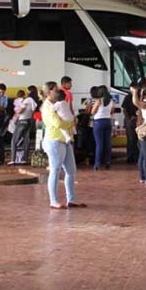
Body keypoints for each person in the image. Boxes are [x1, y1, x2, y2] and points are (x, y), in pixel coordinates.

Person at [41, 81, 85, 209]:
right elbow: (57, 123)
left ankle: (71, 199)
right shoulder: (47, 107)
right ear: (49, 92)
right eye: (55, 90)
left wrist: (70, 122)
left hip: (65, 140)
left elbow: (63, 120)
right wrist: (71, 123)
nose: (58, 92)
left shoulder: (58, 104)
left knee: (71, 171)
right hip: (54, 140)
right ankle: (53, 200)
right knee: (55, 170)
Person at [10, 87, 37, 164]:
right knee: (26, 140)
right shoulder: (33, 101)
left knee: (14, 140)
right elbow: (33, 110)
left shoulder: (27, 100)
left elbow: (21, 110)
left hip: (22, 121)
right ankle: (24, 159)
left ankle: (13, 159)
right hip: (29, 121)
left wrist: (17, 111)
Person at [91, 85, 115, 170]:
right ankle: (108, 162)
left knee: (99, 144)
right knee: (107, 143)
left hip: (98, 122)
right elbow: (112, 111)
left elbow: (92, 112)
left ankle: (97, 164)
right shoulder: (111, 101)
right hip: (107, 121)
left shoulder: (99, 101)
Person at [121, 81, 140, 165]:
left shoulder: (138, 96)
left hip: (135, 119)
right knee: (131, 139)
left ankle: (135, 157)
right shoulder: (128, 97)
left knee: (133, 139)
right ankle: (131, 157)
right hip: (132, 120)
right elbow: (124, 109)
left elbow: (124, 109)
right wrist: (129, 118)